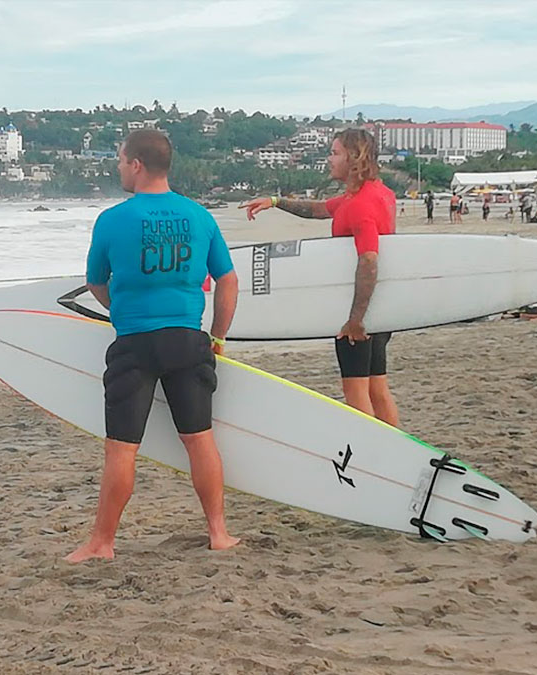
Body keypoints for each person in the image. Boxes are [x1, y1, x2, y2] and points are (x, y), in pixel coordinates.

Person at [67, 129, 241, 563]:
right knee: (200, 440)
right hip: (187, 339)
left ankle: (103, 543)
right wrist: (218, 335)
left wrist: (123, 312)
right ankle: (218, 533)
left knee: (122, 448)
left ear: (137, 164)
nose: (119, 167)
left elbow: (95, 282)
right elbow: (228, 279)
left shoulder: (112, 220)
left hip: (135, 344)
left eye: (122, 160)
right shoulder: (200, 216)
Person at [240, 128, 399, 426]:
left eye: (334, 152)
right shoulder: (377, 193)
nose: (329, 159)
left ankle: (372, 457)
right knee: (378, 388)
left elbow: (369, 260)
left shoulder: (360, 204)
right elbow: (319, 210)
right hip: (381, 310)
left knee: (356, 393)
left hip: (359, 312)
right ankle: (400, 455)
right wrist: (275, 202)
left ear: (353, 158)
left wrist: (354, 320)